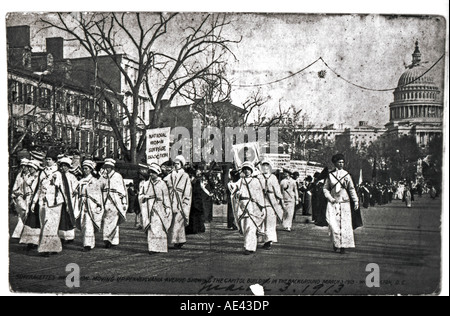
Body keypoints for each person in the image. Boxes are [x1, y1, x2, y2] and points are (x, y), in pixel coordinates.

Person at [323, 153, 359, 254]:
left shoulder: (347, 175)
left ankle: (343, 245)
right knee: (333, 224)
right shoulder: (330, 175)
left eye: (343, 162)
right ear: (335, 163)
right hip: (333, 202)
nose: (341, 164)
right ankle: (336, 243)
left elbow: (351, 189)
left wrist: (355, 200)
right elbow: (325, 188)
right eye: (339, 162)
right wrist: (330, 197)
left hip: (345, 202)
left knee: (345, 224)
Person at [139, 163, 173, 254]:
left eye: (153, 172)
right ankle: (152, 248)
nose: (151, 174)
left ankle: (159, 247)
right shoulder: (145, 184)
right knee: (151, 228)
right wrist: (145, 197)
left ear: (157, 173)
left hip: (159, 208)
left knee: (158, 228)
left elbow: (166, 197)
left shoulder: (162, 184)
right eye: (150, 172)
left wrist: (167, 208)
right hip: (149, 208)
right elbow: (140, 196)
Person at [233, 162, 266, 255]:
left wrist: (261, 206)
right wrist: (236, 192)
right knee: (244, 227)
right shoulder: (240, 181)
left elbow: (260, 194)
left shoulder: (256, 181)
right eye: (245, 169)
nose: (247, 171)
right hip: (242, 206)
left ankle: (249, 247)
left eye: (248, 169)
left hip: (252, 205)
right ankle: (249, 244)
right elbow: (233, 189)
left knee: (250, 227)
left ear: (251, 170)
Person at [19, 151, 47, 251]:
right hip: (29, 200)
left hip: (36, 201)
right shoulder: (28, 177)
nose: (29, 169)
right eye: (29, 167)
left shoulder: (39, 177)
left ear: (35, 168)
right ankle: (29, 241)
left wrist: (35, 201)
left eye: (31, 167)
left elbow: (40, 190)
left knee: (35, 221)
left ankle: (34, 241)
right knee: (29, 220)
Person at [164, 155, 192, 249]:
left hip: (180, 200)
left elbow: (187, 190)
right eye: (175, 163)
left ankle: (179, 241)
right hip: (171, 199)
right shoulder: (170, 174)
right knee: (171, 221)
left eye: (178, 163)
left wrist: (185, 201)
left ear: (181, 164)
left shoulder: (185, 176)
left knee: (178, 221)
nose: (176, 165)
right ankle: (175, 240)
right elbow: (164, 182)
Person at [75, 160, 103, 251]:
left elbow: (98, 194)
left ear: (91, 169)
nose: (85, 170)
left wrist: (97, 204)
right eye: (84, 168)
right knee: (83, 224)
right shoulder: (81, 181)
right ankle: (88, 243)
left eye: (86, 168)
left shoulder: (94, 181)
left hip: (90, 205)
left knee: (88, 224)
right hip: (81, 204)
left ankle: (87, 245)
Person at [99, 158, 128, 248]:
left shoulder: (117, 176)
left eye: (108, 167)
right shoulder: (103, 176)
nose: (107, 169)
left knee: (114, 221)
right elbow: (99, 187)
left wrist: (123, 202)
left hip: (115, 201)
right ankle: (107, 239)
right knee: (106, 220)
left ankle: (110, 240)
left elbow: (122, 191)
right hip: (105, 201)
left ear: (112, 167)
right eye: (106, 167)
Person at [258, 160, 283, 250]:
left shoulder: (273, 178)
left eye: (267, 166)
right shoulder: (258, 177)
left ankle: (268, 241)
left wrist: (279, 199)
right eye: (263, 166)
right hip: (260, 201)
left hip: (270, 202)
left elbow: (277, 190)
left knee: (270, 222)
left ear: (269, 167)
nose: (265, 167)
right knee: (260, 221)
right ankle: (261, 239)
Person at [57, 157, 79, 245]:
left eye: (65, 166)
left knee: (70, 216)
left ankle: (70, 236)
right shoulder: (58, 175)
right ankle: (62, 236)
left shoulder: (72, 176)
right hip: (61, 198)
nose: (63, 168)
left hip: (70, 199)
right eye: (62, 166)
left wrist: (75, 191)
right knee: (62, 218)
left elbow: (76, 186)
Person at [11, 158, 31, 239]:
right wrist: (15, 193)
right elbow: (15, 186)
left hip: (29, 197)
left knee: (27, 213)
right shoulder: (19, 175)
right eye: (22, 166)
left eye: (25, 166)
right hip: (20, 197)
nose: (24, 168)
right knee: (21, 213)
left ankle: (23, 232)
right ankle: (19, 233)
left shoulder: (31, 175)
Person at [186, 169, 206, 234]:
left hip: (196, 201)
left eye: (190, 177)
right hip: (194, 201)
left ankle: (195, 229)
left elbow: (196, 192)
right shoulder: (194, 181)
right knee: (194, 216)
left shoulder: (196, 182)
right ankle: (195, 229)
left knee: (195, 216)